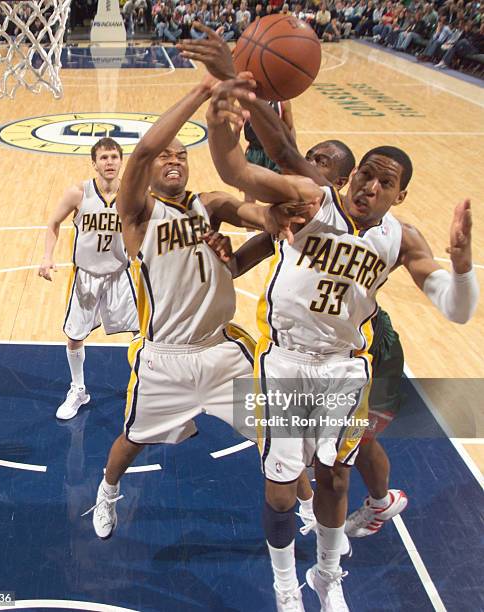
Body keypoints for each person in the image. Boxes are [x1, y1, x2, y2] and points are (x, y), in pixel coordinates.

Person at [205, 78, 479, 612]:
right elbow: (248, 166)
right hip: (282, 361)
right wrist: (231, 113)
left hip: (344, 367)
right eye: (365, 175)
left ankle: (327, 578)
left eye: (385, 182)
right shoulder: (315, 203)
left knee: (334, 476)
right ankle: (286, 585)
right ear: (351, 177)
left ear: (400, 195)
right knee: (282, 490)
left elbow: (456, 309)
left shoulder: (404, 237)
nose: (370, 187)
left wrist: (464, 267)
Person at [179, 24, 409, 545]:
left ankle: (379, 502)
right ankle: (324, 496)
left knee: (355, 443)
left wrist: (247, 87)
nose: (316, 170)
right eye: (317, 160)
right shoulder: (305, 209)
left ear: (341, 180)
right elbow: (268, 235)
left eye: (325, 165)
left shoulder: (348, 208)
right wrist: (231, 260)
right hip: (306, 348)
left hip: (369, 342)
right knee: (315, 452)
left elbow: (287, 158)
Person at [84, 72, 305, 541]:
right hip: (165, 356)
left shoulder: (210, 204)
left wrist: (278, 219)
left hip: (223, 351)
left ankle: (307, 505)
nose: (174, 161)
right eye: (168, 155)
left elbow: (258, 221)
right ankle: (106, 492)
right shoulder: (137, 213)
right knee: (132, 441)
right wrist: (201, 93)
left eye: (182, 156)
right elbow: (142, 152)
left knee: (280, 434)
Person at [38, 137, 138, 420]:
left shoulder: (132, 194)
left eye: (114, 157)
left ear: (121, 161)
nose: (109, 162)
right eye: (104, 158)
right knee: (74, 337)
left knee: (141, 333)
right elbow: (53, 223)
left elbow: (146, 228)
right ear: (94, 163)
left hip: (120, 276)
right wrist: (47, 256)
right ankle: (78, 389)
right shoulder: (78, 193)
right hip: (87, 278)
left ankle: (146, 385)